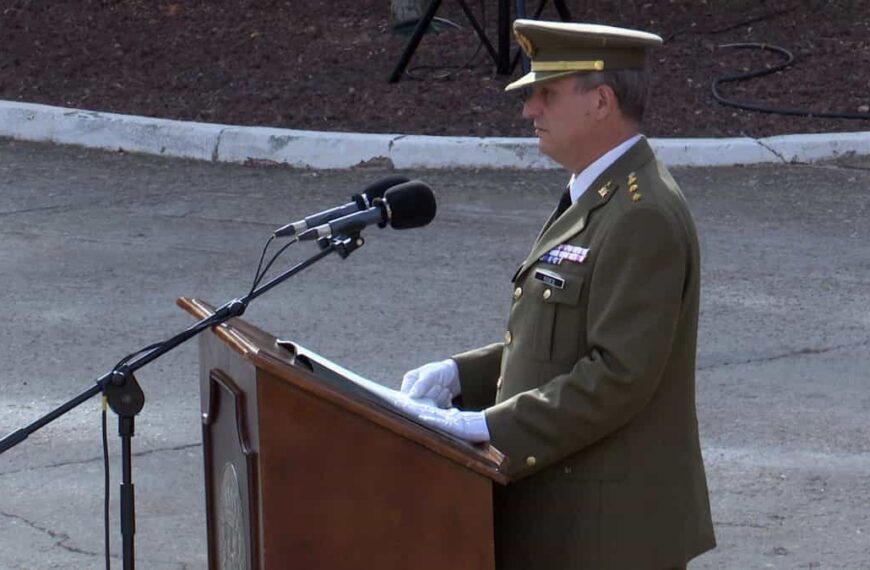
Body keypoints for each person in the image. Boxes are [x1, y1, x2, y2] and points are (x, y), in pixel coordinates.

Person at [395, 19, 716, 570]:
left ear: (601, 101)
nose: (529, 109)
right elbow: (557, 339)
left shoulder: (642, 214)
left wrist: (488, 428)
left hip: (608, 531)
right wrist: (462, 376)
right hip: (570, 512)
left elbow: (617, 375)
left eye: (547, 93)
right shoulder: (599, 195)